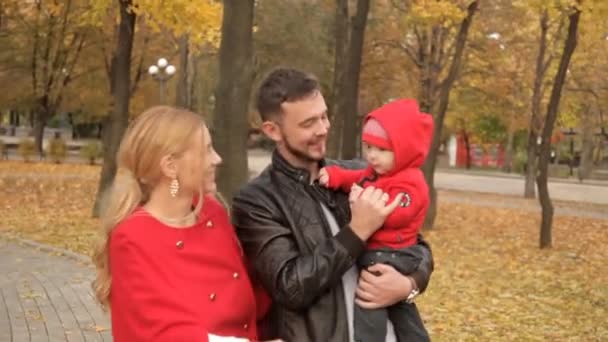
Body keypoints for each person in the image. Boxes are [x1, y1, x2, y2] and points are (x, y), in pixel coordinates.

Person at [232, 67, 434, 342]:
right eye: (308, 123)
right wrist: (357, 232)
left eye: (324, 116)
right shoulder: (257, 201)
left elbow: (416, 246)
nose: (323, 129)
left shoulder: (360, 175)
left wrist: (408, 286)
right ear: (273, 130)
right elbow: (291, 287)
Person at [92, 106, 274, 342]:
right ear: (170, 166)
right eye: (207, 150)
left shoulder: (212, 213)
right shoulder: (133, 238)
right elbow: (161, 333)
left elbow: (252, 296)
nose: (217, 159)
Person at [319, 99, 433, 341]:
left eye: (381, 150)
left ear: (404, 150)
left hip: (395, 254)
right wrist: (334, 175)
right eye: (369, 147)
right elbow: (355, 177)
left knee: (369, 301)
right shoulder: (377, 173)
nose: (372, 156)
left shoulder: (410, 181)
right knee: (402, 309)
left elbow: (399, 214)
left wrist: (364, 207)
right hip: (386, 252)